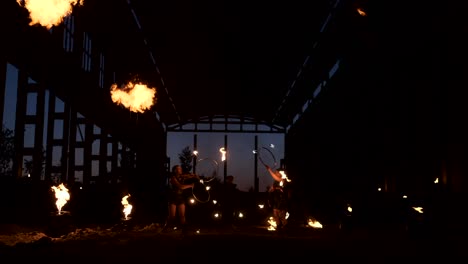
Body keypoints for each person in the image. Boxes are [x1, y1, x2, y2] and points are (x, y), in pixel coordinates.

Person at [163, 164, 199, 233]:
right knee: (172, 216)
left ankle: (184, 230)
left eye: (180, 168)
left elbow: (190, 176)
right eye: (178, 169)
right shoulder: (173, 178)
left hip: (180, 197)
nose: (180, 169)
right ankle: (165, 228)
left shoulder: (182, 176)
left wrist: (195, 176)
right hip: (173, 198)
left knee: (182, 215)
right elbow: (180, 187)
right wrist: (190, 185)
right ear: (175, 170)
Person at [265, 165, 291, 232]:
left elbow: (276, 178)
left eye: (276, 172)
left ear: (280, 173)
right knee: (275, 214)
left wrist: (269, 170)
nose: (275, 173)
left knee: (282, 216)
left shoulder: (283, 179)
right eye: (275, 172)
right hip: (276, 200)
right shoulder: (275, 182)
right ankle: (279, 228)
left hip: (282, 201)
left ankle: (286, 228)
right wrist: (271, 189)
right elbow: (271, 190)